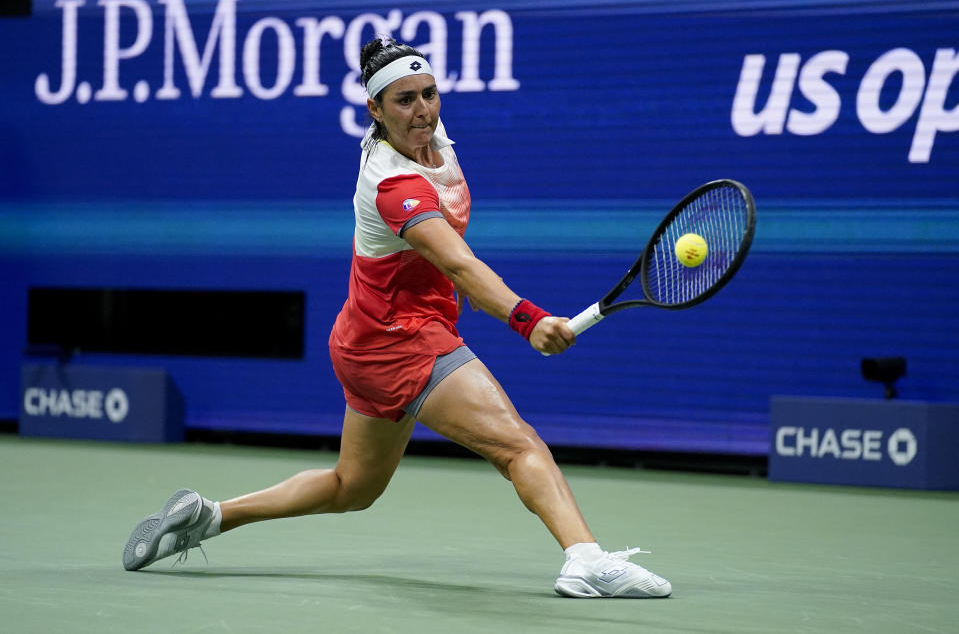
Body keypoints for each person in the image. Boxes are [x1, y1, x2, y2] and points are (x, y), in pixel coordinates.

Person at [121, 37, 671, 599]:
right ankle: (585, 559)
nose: (423, 110)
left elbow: (445, 260)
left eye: (430, 94)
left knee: (351, 487)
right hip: (398, 342)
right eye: (405, 100)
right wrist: (526, 319)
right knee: (519, 444)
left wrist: (462, 295)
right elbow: (455, 257)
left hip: (366, 338)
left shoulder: (434, 146)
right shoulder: (393, 182)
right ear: (375, 111)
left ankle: (208, 517)